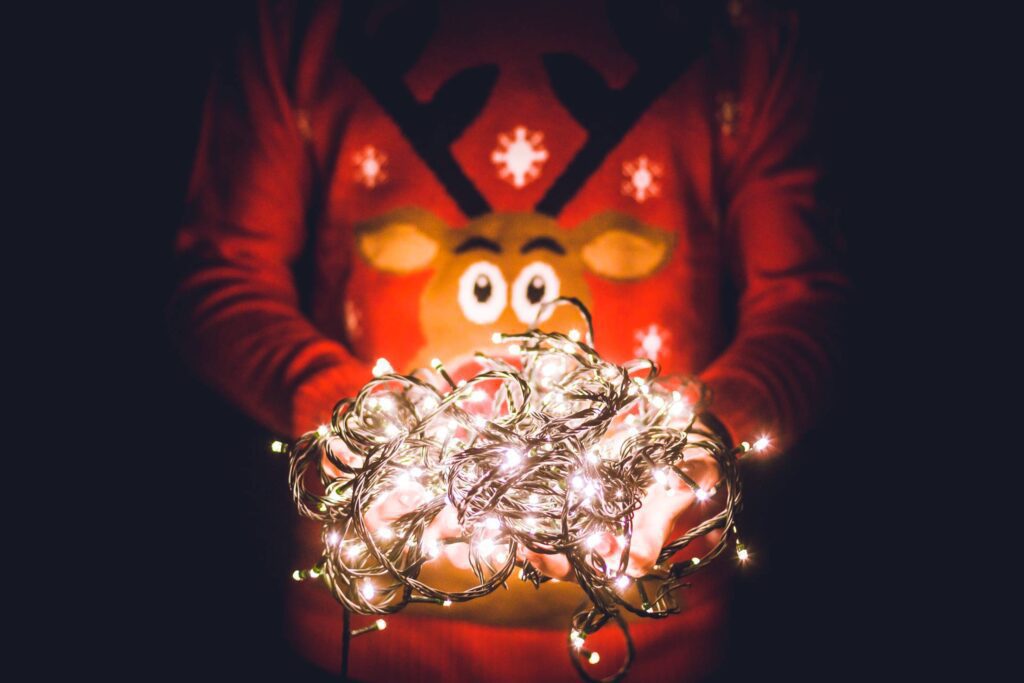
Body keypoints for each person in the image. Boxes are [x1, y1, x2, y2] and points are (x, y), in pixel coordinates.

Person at [169, 1, 848, 680]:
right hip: (362, 640)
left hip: (655, 647)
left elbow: (811, 301)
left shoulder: (745, 26)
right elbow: (218, 275)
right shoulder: (296, 21)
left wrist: (705, 431)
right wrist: (348, 409)